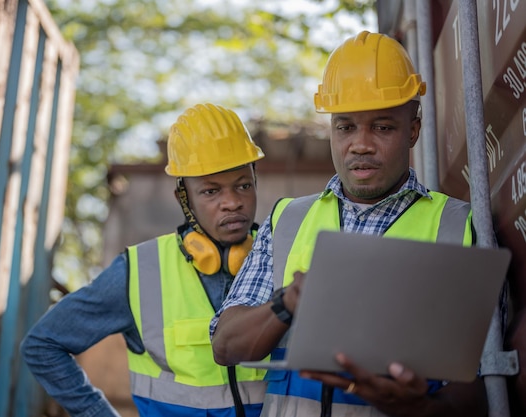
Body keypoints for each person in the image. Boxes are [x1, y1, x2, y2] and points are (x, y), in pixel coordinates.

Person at [209, 31, 488, 417]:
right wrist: (288, 301)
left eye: (383, 127)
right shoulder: (288, 219)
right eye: (345, 127)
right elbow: (226, 346)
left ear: (413, 130)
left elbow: (484, 390)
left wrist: (422, 406)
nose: (361, 144)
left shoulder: (463, 228)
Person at [21, 103, 268, 417]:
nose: (232, 202)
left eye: (243, 185)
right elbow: (42, 346)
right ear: (184, 198)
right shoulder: (140, 272)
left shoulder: (282, 258)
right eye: (210, 191)